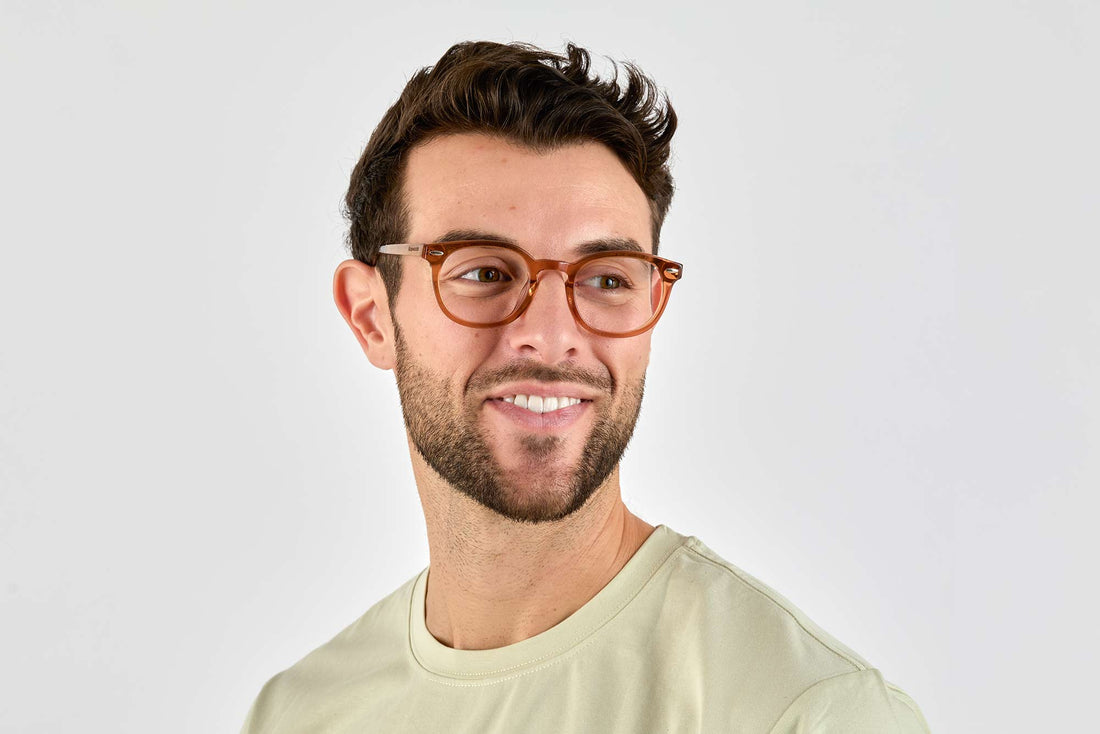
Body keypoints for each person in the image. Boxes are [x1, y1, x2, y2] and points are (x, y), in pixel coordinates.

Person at [241, 40, 930, 733]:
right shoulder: (301, 714)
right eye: (483, 273)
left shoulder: (800, 711)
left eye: (606, 280)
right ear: (371, 316)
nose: (550, 334)